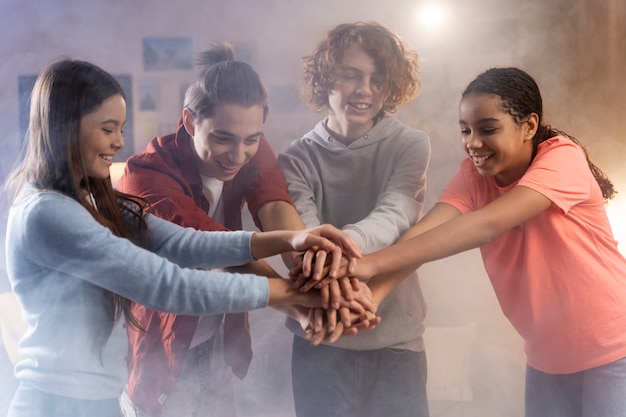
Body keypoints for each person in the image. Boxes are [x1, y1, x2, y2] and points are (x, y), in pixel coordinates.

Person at [2, 58, 369, 417]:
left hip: (96, 400)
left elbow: (183, 241)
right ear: (66, 127)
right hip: (57, 403)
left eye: (121, 128)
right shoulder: (48, 213)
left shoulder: (90, 198)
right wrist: (298, 295)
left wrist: (291, 240)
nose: (118, 142)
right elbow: (166, 285)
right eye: (107, 128)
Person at [317, 66, 626, 417]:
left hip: (614, 352)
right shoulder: (474, 176)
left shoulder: (562, 158)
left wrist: (367, 264)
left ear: (529, 126)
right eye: (465, 130)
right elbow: (423, 235)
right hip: (546, 360)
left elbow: (487, 224)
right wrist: (372, 296)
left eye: (487, 129)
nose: (473, 143)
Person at [115, 43, 325, 417]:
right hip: (164, 349)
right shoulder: (145, 173)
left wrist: (315, 275)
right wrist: (300, 304)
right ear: (191, 121)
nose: (238, 155)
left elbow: (275, 205)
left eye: (252, 139)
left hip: (218, 343)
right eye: (222, 138)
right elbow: (213, 247)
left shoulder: (247, 144)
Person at [278, 22, 431, 417]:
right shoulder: (294, 158)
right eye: (351, 75)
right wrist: (335, 255)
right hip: (319, 339)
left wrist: (339, 250)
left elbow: (395, 213)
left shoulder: (411, 145)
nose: (366, 90)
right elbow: (303, 239)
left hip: (396, 342)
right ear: (326, 78)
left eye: (378, 79)